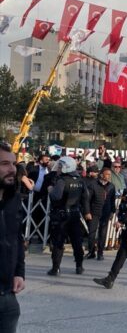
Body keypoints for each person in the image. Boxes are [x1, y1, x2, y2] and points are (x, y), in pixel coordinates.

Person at [47, 156, 90, 276]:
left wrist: (50, 190)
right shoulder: (80, 180)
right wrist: (87, 212)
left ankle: (55, 269)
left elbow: (56, 196)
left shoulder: (62, 180)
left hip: (61, 216)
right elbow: (85, 198)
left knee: (58, 242)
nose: (59, 168)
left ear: (67, 167)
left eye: (61, 166)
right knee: (77, 241)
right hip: (75, 214)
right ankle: (79, 266)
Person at [0, 142, 25, 333]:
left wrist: (19, 272)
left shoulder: (13, 197)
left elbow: (16, 236)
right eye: (4, 164)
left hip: (7, 295)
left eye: (13, 163)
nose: (12, 169)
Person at [84, 167, 116, 261]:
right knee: (92, 233)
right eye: (107, 174)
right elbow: (87, 200)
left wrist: (112, 211)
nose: (109, 176)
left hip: (106, 212)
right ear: (101, 175)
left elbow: (112, 200)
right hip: (94, 212)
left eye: (110, 175)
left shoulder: (111, 186)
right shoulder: (93, 185)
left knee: (103, 233)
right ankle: (91, 252)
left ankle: (100, 253)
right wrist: (87, 212)